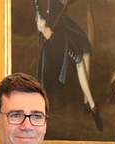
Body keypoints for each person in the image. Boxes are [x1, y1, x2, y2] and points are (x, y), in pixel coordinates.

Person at [33, 0, 103, 131]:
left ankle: (86, 102)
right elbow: (36, 4)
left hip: (63, 21)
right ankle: (94, 108)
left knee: (86, 47)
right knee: (79, 60)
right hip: (53, 27)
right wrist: (43, 28)